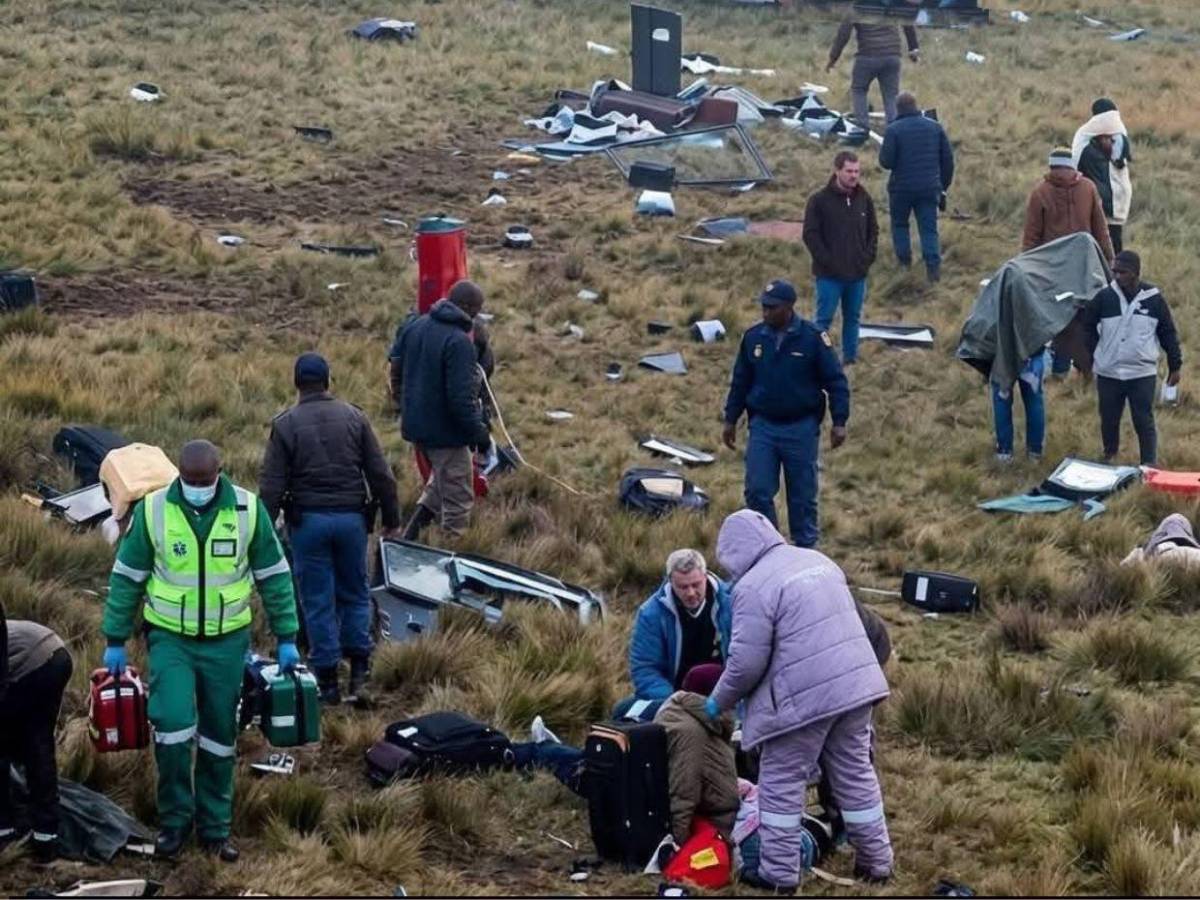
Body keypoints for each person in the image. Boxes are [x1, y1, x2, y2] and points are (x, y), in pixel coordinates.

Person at [103, 440, 300, 861]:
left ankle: (215, 829)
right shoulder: (154, 511)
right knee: (171, 725)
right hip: (170, 639)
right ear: (179, 474)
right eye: (189, 481)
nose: (196, 487)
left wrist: (286, 636)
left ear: (218, 474)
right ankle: (174, 823)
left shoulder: (247, 512)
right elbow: (127, 577)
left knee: (219, 737)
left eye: (203, 481)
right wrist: (115, 640)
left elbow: (274, 576)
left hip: (227, 642)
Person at [705, 510, 892, 892]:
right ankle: (877, 863)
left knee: (781, 781)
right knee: (855, 774)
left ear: (735, 553)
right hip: (857, 687)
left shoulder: (753, 587)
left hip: (804, 702)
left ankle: (778, 874)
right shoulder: (818, 561)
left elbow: (745, 663)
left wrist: (717, 702)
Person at [260, 352, 402, 705]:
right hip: (352, 521)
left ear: (297, 384)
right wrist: (393, 519)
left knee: (316, 599)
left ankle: (326, 681)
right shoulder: (355, 418)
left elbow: (272, 487)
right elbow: (381, 474)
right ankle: (359, 672)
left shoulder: (286, 425)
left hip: (307, 523)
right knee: (355, 592)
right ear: (328, 381)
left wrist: (262, 532)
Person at [722, 279, 850, 548]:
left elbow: (836, 381)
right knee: (757, 490)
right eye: (763, 307)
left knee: (802, 495)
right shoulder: (753, 337)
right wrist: (730, 418)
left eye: (772, 308)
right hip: (763, 426)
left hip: (800, 427)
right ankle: (770, 546)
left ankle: (805, 549)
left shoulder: (813, 339)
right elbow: (741, 381)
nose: (766, 312)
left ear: (789, 308)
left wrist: (839, 421)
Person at [389, 280, 491, 541]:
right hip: (445, 432)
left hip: (417, 427)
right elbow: (460, 399)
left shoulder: (417, 326)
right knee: (458, 500)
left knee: (439, 482)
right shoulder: (458, 342)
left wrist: (403, 406)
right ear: (467, 307)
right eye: (477, 310)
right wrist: (478, 432)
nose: (478, 316)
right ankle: (451, 556)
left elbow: (396, 370)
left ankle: (409, 539)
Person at [1082, 250, 1182, 466]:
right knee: (1109, 419)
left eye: (1123, 272)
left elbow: (1167, 333)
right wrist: (1094, 354)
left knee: (1143, 419)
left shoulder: (1154, 299)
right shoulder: (1104, 297)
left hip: (1141, 372)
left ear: (1136, 273)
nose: (1117, 276)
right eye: (1115, 272)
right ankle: (1109, 455)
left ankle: (1148, 464)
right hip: (1109, 371)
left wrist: (1176, 365)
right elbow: (1087, 327)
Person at [615, 549, 732, 722]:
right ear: (670, 582)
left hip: (723, 693)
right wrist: (674, 703)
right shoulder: (651, 614)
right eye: (683, 587)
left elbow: (746, 660)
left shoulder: (732, 602)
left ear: (705, 576)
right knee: (623, 711)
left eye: (696, 584)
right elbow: (645, 669)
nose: (691, 593)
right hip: (674, 698)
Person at [0, 617, 72, 862]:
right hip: (55, 652)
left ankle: (5, 830)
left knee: (11, 747)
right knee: (38, 747)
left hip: (35, 662)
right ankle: (46, 835)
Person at [802, 151, 879, 365]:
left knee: (853, 319)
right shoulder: (818, 201)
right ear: (837, 171)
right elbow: (810, 235)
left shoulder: (864, 198)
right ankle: (816, 360)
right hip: (829, 276)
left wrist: (867, 258)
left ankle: (850, 360)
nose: (854, 176)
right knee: (823, 320)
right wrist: (827, 261)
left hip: (857, 274)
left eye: (857, 171)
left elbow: (873, 231)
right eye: (849, 171)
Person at [654, 670, 739, 849]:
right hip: (716, 829)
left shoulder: (692, 716)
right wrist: (680, 846)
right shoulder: (690, 733)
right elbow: (683, 792)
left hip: (722, 821)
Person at [878, 91, 955, 283]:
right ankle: (933, 270)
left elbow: (886, 162)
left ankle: (904, 265)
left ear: (898, 109)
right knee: (928, 229)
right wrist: (942, 187)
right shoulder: (935, 127)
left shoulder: (893, 130)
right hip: (929, 188)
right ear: (915, 106)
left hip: (901, 189)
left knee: (900, 225)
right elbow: (948, 161)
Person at [1021, 147, 1114, 263]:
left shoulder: (1040, 192)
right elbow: (1100, 228)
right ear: (1072, 165)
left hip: (1051, 260)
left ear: (1051, 166)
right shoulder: (1088, 187)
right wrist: (1109, 258)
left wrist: (1026, 262)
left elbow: (1031, 235)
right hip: (1084, 258)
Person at [825, 18, 920, 129]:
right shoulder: (891, 4)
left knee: (858, 90)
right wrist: (913, 48)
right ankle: (894, 129)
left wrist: (833, 58)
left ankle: (862, 128)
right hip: (892, 55)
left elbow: (843, 34)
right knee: (891, 95)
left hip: (867, 56)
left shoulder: (856, 5)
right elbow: (906, 21)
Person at [1074, 98, 1133, 253]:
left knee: (1104, 248)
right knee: (1113, 246)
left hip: (1104, 204)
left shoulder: (1087, 143)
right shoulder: (1120, 140)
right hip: (1114, 203)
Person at [991, 351, 1047, 463]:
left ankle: (1004, 452)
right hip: (1032, 349)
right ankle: (1034, 452)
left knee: (1002, 402)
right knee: (1034, 401)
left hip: (1001, 353)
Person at [1121, 514, 1200, 567]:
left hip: (1154, 558)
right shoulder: (1191, 553)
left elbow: (1121, 570)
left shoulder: (1138, 552)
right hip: (1186, 555)